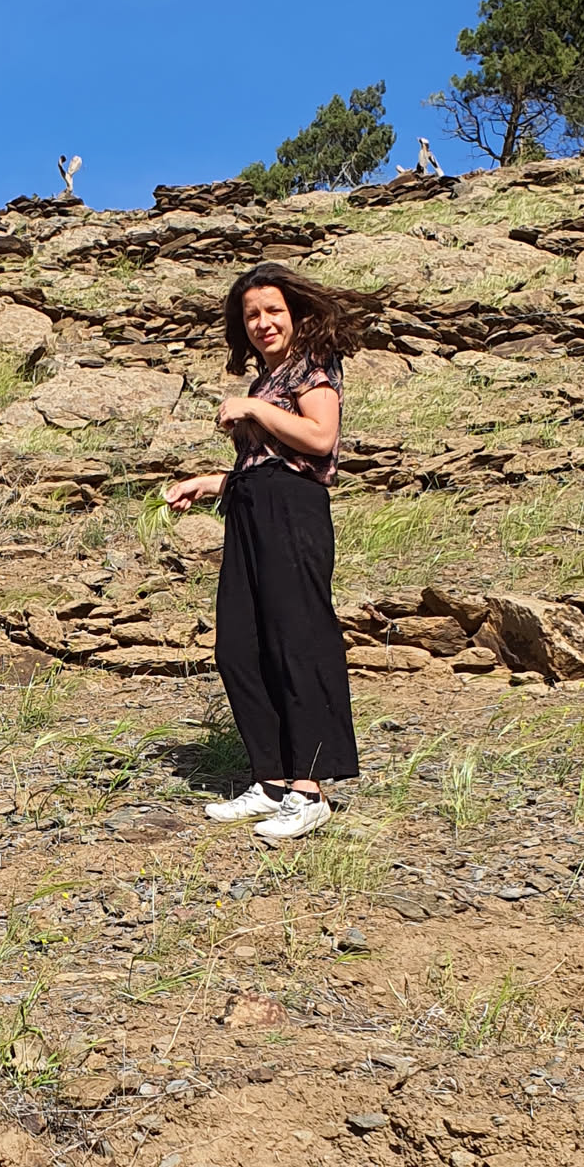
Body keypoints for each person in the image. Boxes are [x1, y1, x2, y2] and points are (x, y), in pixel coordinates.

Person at [164, 263, 384, 842]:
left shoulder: (312, 366)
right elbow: (264, 464)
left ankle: (309, 792)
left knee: (296, 643)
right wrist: (209, 483)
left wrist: (253, 409)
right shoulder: (268, 379)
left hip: (293, 512)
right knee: (239, 647)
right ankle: (271, 780)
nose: (262, 323)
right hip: (251, 508)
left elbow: (319, 440)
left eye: (272, 311)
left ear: (295, 315)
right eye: (251, 315)